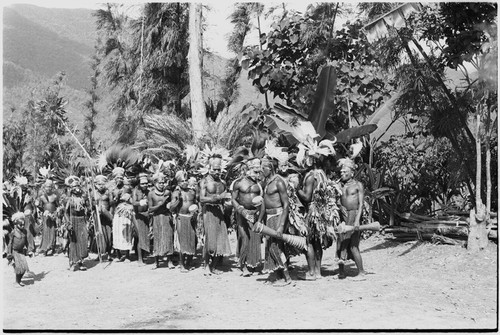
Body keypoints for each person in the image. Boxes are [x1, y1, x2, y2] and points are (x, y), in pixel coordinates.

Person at [296, 137, 337, 281]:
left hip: (312, 212)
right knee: (317, 242)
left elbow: (307, 197)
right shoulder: (321, 174)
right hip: (322, 211)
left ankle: (312, 272)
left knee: (309, 242)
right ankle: (319, 272)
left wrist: (296, 189)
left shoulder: (310, 177)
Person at [256, 156, 291, 286]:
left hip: (278, 216)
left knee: (276, 247)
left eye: (263, 168)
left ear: (269, 168)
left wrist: (281, 225)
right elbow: (264, 203)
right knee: (270, 246)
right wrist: (260, 220)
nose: (261, 171)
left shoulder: (279, 182)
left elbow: (286, 205)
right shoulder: (266, 182)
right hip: (269, 217)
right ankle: (277, 275)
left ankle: (287, 277)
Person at [199, 156, 231, 275]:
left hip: (220, 213)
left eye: (219, 169)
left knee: (220, 239)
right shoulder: (204, 182)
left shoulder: (222, 182)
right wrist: (218, 198)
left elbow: (225, 199)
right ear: (209, 168)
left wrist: (228, 205)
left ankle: (214, 265)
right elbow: (202, 199)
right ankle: (206, 265)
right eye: (215, 169)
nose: (217, 172)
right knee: (210, 239)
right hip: (208, 213)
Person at [231, 158, 263, 276]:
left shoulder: (259, 184)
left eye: (258, 171)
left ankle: (253, 264)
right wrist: (242, 211)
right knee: (245, 238)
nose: (257, 174)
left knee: (255, 238)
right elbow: (233, 199)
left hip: (255, 213)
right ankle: (243, 264)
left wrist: (259, 213)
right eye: (255, 171)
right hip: (242, 214)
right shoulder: (238, 183)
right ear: (248, 170)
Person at [337, 158, 367, 280]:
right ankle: (341, 272)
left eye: (345, 172)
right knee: (341, 243)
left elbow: (360, 204)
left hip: (353, 215)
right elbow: (337, 200)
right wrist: (339, 206)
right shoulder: (339, 185)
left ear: (352, 173)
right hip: (342, 216)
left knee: (353, 245)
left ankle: (361, 272)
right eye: (341, 172)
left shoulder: (358, 185)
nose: (342, 174)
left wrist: (356, 220)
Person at [170, 171, 198, 272]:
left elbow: (196, 204)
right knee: (182, 241)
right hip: (181, 217)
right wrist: (178, 200)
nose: (185, 182)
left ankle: (188, 262)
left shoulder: (192, 192)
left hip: (191, 217)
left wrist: (195, 211)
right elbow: (171, 208)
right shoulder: (176, 193)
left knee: (193, 240)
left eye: (186, 180)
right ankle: (182, 265)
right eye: (182, 181)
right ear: (178, 182)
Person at [148, 172, 174, 269]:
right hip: (157, 218)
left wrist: (170, 205)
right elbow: (150, 209)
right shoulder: (151, 194)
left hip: (167, 217)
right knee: (157, 238)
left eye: (163, 183)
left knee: (168, 237)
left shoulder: (167, 193)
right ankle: (156, 262)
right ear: (155, 183)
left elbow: (171, 205)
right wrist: (161, 204)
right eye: (160, 183)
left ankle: (170, 261)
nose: (162, 185)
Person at [64, 176, 89, 271]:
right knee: (74, 242)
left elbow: (88, 210)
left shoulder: (83, 199)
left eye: (78, 186)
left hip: (82, 221)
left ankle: (80, 261)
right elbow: (66, 213)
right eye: (75, 186)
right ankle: (72, 262)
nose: (77, 188)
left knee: (82, 241)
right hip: (73, 221)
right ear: (71, 189)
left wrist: (92, 204)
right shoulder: (69, 200)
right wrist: (68, 223)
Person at [7, 212, 33, 287]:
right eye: (20, 224)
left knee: (24, 268)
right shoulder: (13, 232)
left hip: (21, 252)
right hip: (14, 252)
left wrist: (29, 251)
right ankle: (17, 282)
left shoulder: (25, 231)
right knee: (19, 268)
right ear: (16, 224)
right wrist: (9, 254)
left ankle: (19, 280)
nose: (22, 226)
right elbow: (10, 244)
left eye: (23, 224)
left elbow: (27, 242)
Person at [112, 179, 135, 263]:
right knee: (117, 233)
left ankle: (127, 255)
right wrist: (117, 197)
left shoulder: (130, 193)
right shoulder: (115, 191)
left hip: (127, 214)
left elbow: (133, 203)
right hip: (118, 214)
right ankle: (118, 255)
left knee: (127, 233)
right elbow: (113, 203)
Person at [132, 173, 151, 265]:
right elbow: (134, 202)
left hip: (146, 215)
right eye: (143, 183)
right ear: (139, 183)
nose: (145, 185)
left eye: (146, 183)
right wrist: (141, 202)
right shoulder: (135, 191)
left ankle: (143, 256)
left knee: (145, 236)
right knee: (140, 236)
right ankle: (140, 259)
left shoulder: (148, 191)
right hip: (137, 215)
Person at [93, 174, 113, 260]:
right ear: (96, 184)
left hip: (107, 215)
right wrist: (94, 204)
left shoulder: (108, 192)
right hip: (98, 216)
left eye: (102, 184)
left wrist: (110, 214)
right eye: (99, 184)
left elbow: (112, 204)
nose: (101, 186)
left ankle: (109, 253)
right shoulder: (93, 193)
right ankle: (100, 254)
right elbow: (88, 204)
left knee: (108, 235)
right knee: (99, 234)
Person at [37, 179, 60, 256]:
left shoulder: (55, 196)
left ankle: (52, 247)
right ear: (44, 187)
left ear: (52, 187)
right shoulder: (42, 197)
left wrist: (55, 213)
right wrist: (40, 208)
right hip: (45, 217)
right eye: (46, 187)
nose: (48, 188)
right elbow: (40, 207)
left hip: (53, 216)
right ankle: (45, 248)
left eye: (49, 187)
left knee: (53, 231)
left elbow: (58, 206)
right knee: (46, 232)